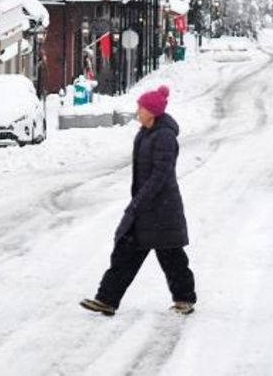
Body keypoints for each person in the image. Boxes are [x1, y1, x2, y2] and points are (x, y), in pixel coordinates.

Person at [81, 85, 197, 316]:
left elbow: (160, 174)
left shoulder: (163, 136)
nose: (137, 111)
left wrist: (139, 201)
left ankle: (185, 299)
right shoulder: (147, 132)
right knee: (126, 253)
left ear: (152, 111)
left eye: (141, 107)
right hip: (147, 207)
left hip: (162, 209)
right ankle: (106, 300)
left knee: (172, 256)